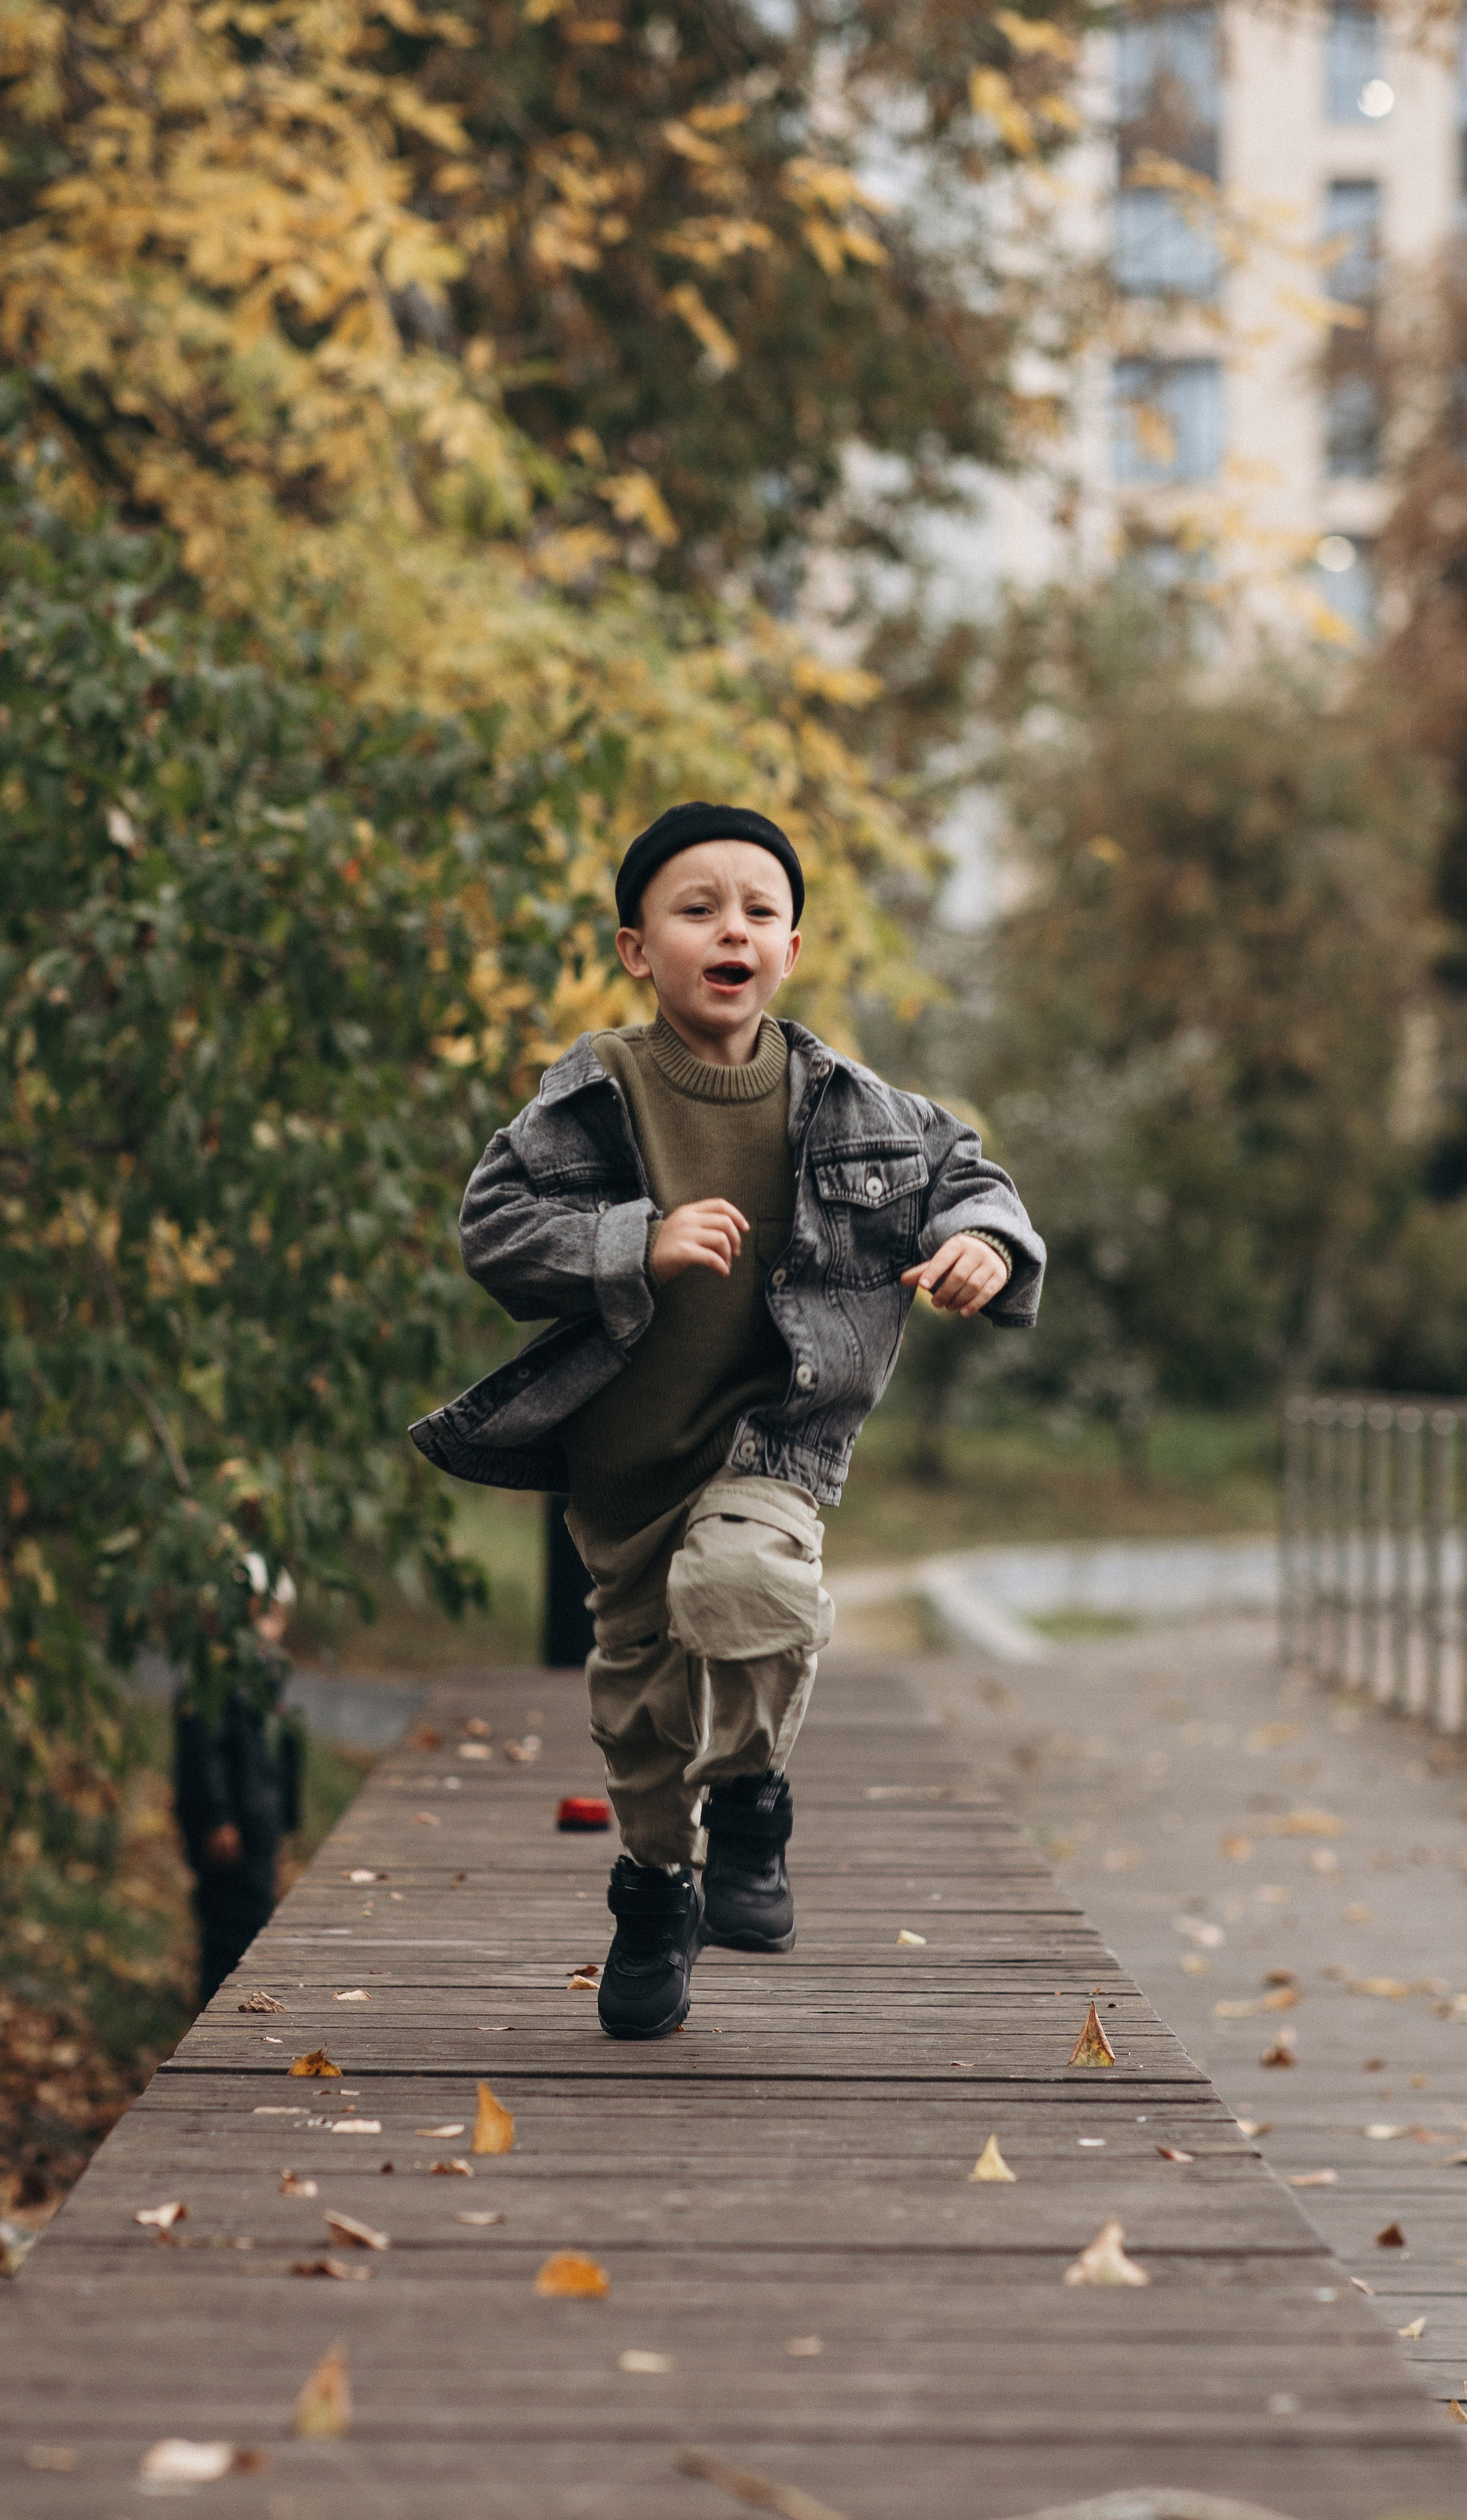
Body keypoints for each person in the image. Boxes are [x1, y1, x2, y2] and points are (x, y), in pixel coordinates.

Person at [410, 800, 1044, 2038]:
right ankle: (657, 1890)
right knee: (641, 1713)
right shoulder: (595, 1092)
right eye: (696, 909)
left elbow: (972, 1174)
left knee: (747, 1583)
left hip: (776, 1436)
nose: (731, 928)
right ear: (639, 949)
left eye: (758, 909)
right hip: (624, 1466)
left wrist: (979, 1241)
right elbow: (494, 1230)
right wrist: (632, 1242)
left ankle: (751, 1793)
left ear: (793, 951)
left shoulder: (852, 1102)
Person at [173, 1558, 305, 2011]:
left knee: (254, 1921)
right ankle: (214, 2008)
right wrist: (217, 1816)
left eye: (277, 1618)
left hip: (260, 1822)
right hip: (230, 1827)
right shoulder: (215, 1677)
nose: (269, 1630)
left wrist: (285, 1821)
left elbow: (283, 1755)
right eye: (259, 1616)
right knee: (227, 1921)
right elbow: (205, 1752)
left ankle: (239, 2005)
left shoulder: (270, 1678)